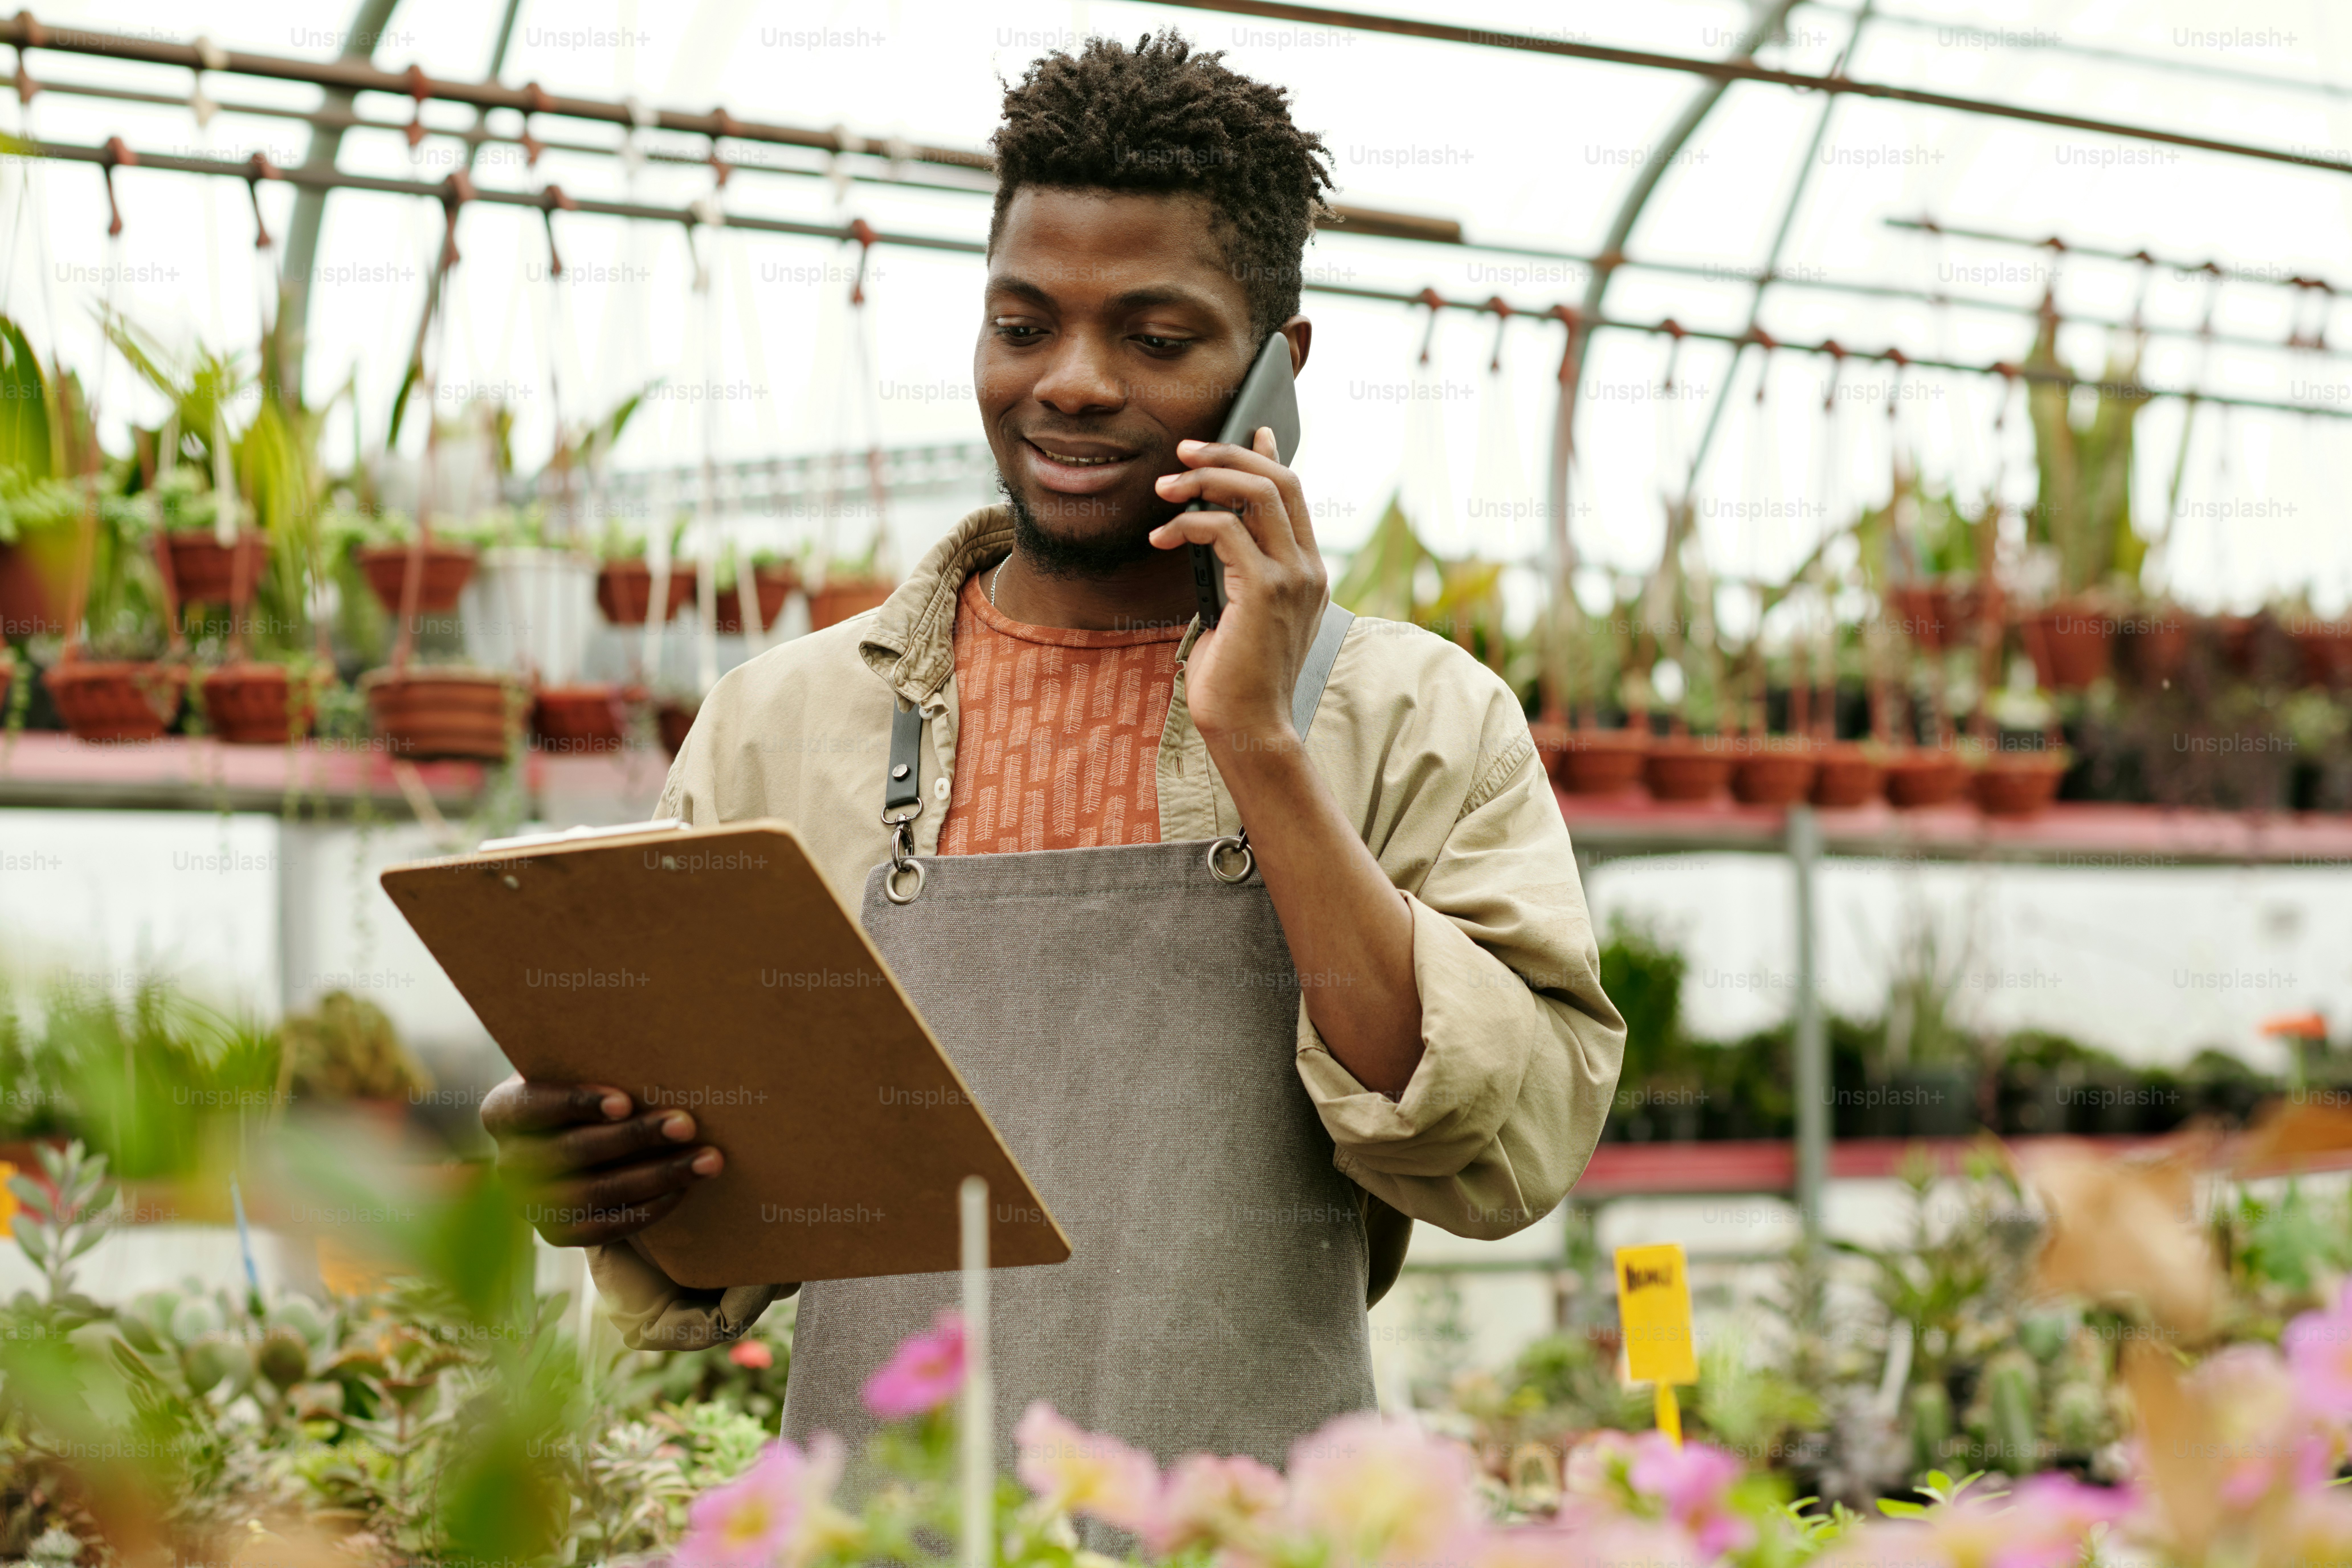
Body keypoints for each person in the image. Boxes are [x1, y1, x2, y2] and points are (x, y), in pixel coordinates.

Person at [481, 30, 1624, 1470]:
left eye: (1155, 338)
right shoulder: (787, 721)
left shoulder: (1415, 715)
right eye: (1023, 324)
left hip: (1246, 1536)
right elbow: (718, 1239)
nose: (1071, 384)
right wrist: (597, 1163)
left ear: (1281, 365)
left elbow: (1493, 1144)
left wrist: (1261, 742)